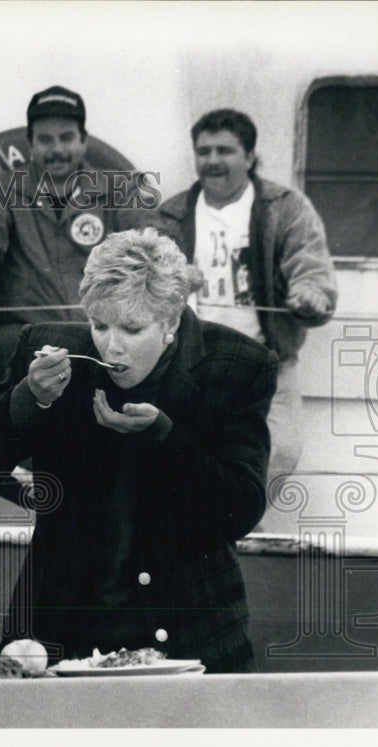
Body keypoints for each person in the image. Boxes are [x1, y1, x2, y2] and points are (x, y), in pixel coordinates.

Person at [0, 228, 278, 673]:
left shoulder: (237, 365)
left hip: (191, 633)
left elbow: (241, 510)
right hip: (59, 633)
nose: (112, 344)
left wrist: (166, 438)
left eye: (133, 328)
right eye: (99, 325)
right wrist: (29, 400)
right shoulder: (49, 349)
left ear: (172, 323)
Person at [148, 109, 337, 480]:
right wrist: (172, 278)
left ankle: (230, 527)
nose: (213, 161)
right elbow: (147, 277)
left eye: (225, 150)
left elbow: (310, 266)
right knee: (184, 455)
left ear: (250, 157)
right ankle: (214, 531)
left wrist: (310, 294)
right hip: (190, 362)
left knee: (279, 452)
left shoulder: (286, 208)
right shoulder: (170, 214)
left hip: (267, 361)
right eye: (204, 152)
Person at [0, 85, 145, 374]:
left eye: (66, 138)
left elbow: (149, 242)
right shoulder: (1, 187)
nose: (56, 150)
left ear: (83, 141)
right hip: (25, 338)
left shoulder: (120, 188)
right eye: (45, 140)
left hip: (102, 335)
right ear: (30, 144)